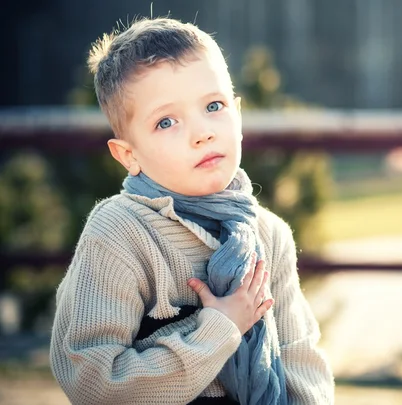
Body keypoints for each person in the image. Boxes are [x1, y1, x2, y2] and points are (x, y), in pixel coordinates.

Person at [49, 17, 334, 405]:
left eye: (213, 106)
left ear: (238, 115)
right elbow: (91, 378)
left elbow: (301, 362)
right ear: (128, 154)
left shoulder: (269, 235)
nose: (203, 132)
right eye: (167, 122)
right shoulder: (119, 232)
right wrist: (218, 329)